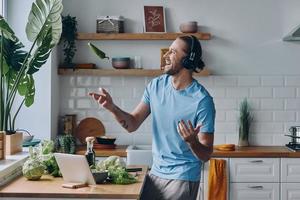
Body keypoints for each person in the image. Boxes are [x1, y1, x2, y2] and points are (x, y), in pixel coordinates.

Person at [89, 35, 215, 200]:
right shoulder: (156, 86)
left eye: (173, 52)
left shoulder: (202, 100)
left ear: (189, 60)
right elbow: (133, 124)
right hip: (155, 173)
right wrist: (112, 108)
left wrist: (192, 141)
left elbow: (206, 154)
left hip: (183, 177)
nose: (165, 56)